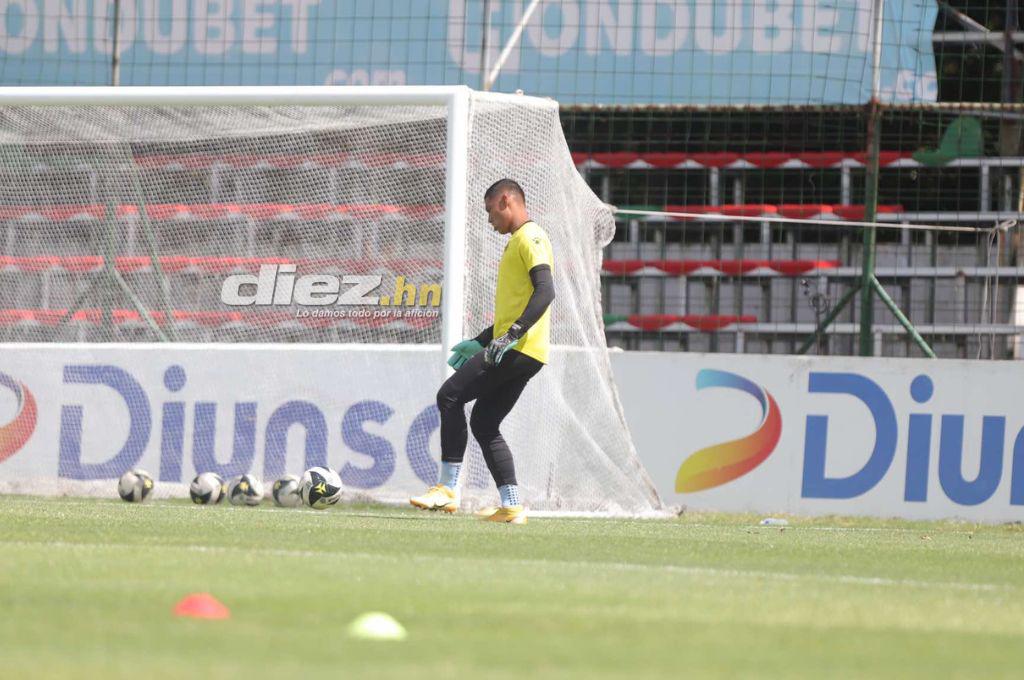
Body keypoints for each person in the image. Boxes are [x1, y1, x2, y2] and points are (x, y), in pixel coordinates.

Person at [409, 178, 555, 524]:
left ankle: (447, 489)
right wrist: (482, 339)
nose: (489, 220)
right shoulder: (517, 241)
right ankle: (512, 505)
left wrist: (511, 336)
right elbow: (514, 308)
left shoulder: (530, 237)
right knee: (485, 423)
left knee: (449, 396)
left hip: (518, 348)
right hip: (524, 351)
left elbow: (546, 291)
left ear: (506, 200)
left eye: (490, 211)